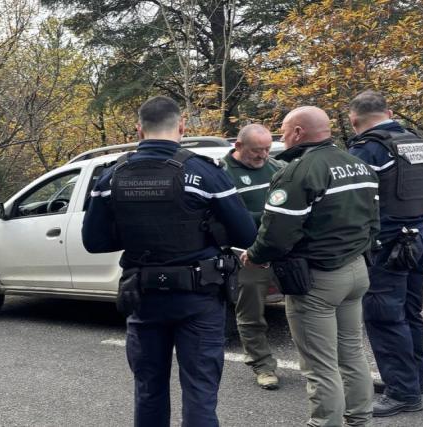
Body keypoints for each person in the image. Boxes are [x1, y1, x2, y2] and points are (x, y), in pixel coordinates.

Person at [82, 95, 256, 426]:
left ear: (139, 130)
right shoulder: (204, 172)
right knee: (200, 392)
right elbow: (246, 235)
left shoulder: (111, 177)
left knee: (149, 389)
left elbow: (94, 242)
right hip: (198, 298)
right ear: (181, 126)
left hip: (144, 297)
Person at [241, 106, 378, 426]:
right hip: (357, 271)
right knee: (352, 353)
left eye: (284, 131)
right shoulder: (359, 165)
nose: (282, 138)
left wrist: (256, 256)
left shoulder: (298, 171)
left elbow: (276, 232)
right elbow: (374, 223)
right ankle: (360, 419)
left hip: (317, 279)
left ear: (299, 133)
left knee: (320, 365)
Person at [347, 90, 423, 417]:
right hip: (419, 236)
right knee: (411, 311)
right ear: (390, 111)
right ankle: (415, 380)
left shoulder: (368, 149)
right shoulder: (419, 142)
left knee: (384, 316)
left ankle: (402, 392)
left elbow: (350, 198)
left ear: (354, 120)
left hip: (387, 244)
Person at [220, 124, 285, 390]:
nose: (262, 156)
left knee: (305, 307)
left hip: (284, 250)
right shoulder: (222, 173)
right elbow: (230, 219)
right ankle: (262, 365)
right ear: (238, 146)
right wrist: (273, 217)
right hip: (248, 254)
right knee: (251, 314)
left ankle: (316, 364)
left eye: (267, 149)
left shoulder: (277, 167)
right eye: (256, 151)